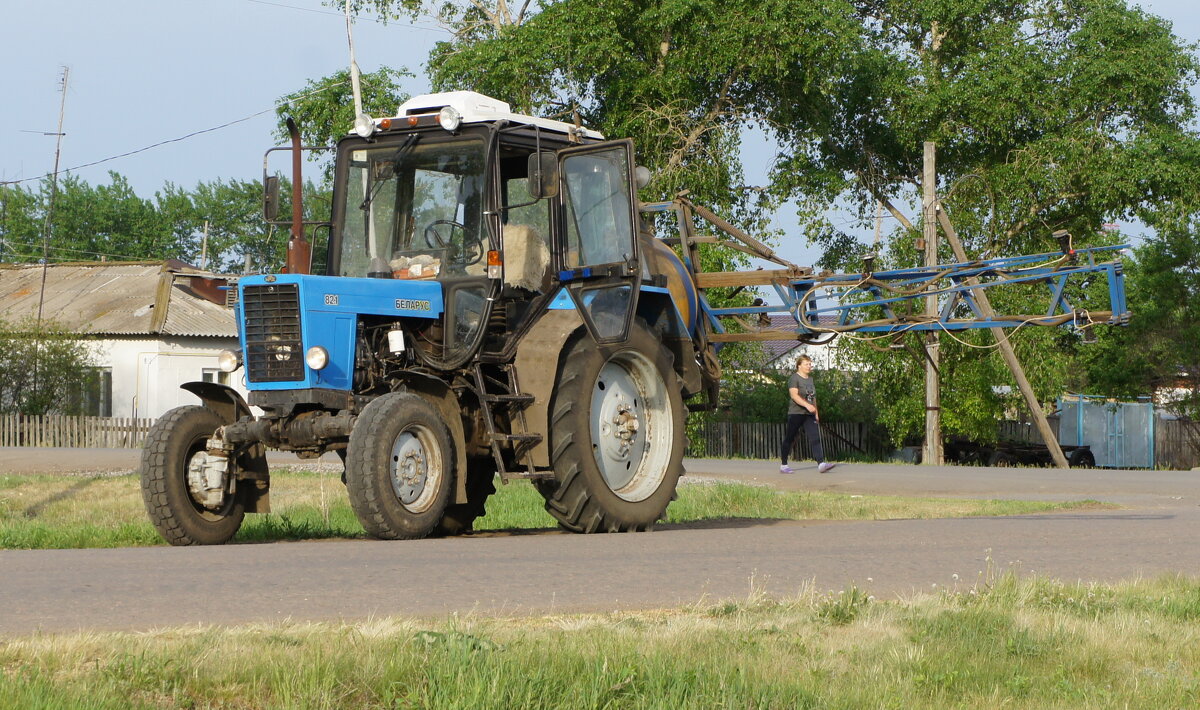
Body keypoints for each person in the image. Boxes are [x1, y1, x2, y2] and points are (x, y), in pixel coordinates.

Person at [780, 355, 834, 474]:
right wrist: (807, 405)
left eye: (810, 364)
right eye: (806, 364)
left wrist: (816, 412)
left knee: (815, 437)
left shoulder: (810, 380)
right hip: (796, 413)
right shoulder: (794, 378)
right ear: (799, 366)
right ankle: (784, 465)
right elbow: (794, 396)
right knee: (790, 438)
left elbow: (813, 398)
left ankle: (821, 464)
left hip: (809, 414)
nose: (809, 366)